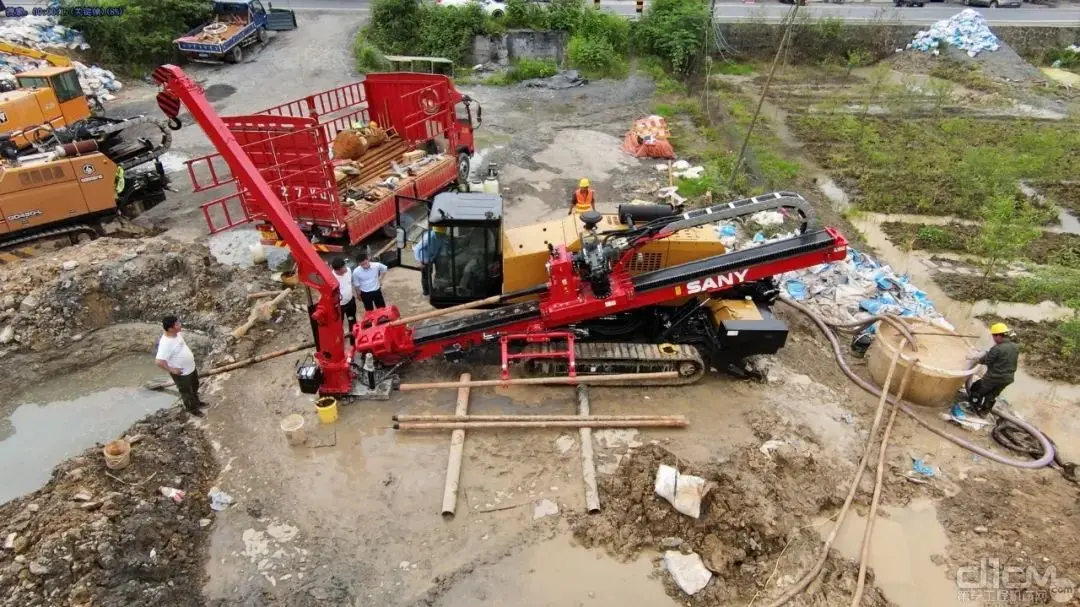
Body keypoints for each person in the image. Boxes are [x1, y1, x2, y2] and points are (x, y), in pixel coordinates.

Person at [155, 315, 208, 418]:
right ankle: (192, 409)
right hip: (181, 374)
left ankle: (197, 402)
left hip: (191, 368)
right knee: (186, 392)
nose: (180, 325)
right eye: (177, 324)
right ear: (170, 328)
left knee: (195, 386)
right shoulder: (165, 344)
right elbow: (159, 361)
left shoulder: (177, 334)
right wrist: (172, 370)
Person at [966, 322, 1020, 416]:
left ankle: (973, 408)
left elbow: (986, 361)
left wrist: (976, 358)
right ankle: (984, 412)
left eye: (994, 336)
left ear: (999, 336)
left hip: (994, 377)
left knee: (976, 389)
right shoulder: (1015, 347)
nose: (994, 339)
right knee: (991, 395)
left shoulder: (997, 348)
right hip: (1008, 378)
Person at [413, 225, 447, 297]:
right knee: (426, 275)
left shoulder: (442, 236)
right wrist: (419, 262)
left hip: (433, 256)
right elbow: (417, 248)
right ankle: (426, 292)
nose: (442, 235)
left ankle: (431, 289)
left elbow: (440, 247)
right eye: (440, 233)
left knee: (431, 272)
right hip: (425, 258)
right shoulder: (428, 237)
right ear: (436, 232)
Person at [331, 257, 356, 341]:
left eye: (344, 267)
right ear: (337, 271)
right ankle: (339, 340)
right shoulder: (331, 278)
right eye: (342, 270)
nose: (345, 270)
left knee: (352, 319)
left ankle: (353, 339)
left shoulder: (348, 270)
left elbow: (351, 282)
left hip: (350, 301)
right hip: (339, 306)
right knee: (339, 323)